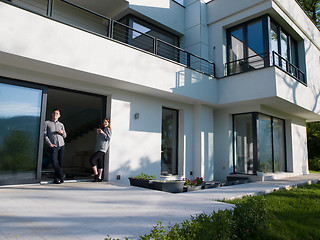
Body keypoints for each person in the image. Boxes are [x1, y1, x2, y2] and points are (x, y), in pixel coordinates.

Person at [44, 109, 67, 184]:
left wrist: (62, 133)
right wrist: (49, 144)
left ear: (59, 115)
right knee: (54, 162)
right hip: (53, 145)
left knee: (60, 162)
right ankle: (62, 175)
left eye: (57, 113)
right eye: (54, 113)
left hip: (61, 145)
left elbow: (65, 135)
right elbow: (45, 135)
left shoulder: (61, 124)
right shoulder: (47, 123)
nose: (55, 114)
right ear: (52, 114)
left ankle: (57, 179)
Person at [89, 118, 112, 182]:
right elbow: (99, 140)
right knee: (100, 163)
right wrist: (99, 133)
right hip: (98, 148)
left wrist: (102, 133)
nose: (104, 123)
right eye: (103, 122)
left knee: (91, 160)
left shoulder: (107, 129)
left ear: (108, 123)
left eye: (106, 122)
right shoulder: (103, 129)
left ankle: (96, 174)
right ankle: (99, 177)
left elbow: (108, 138)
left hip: (102, 149)